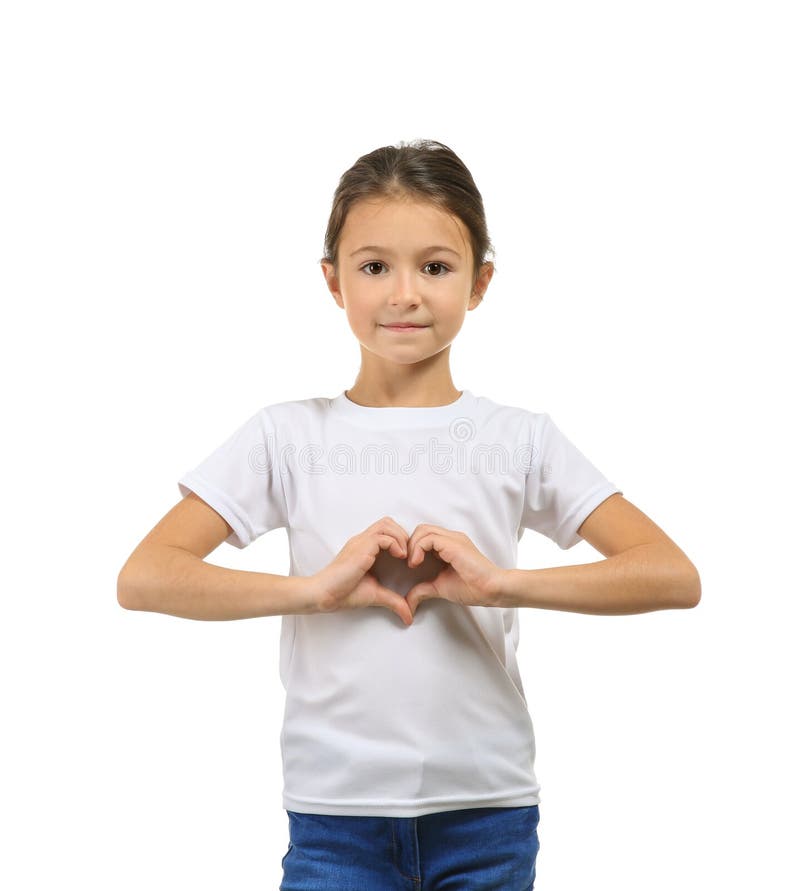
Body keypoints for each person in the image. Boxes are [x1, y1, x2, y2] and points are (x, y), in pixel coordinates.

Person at [117, 138, 702, 891]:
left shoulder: (518, 437)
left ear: (480, 280)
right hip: (336, 818)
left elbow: (672, 575)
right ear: (332, 281)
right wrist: (314, 589)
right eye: (373, 267)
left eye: (435, 266)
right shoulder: (286, 434)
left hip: (487, 813)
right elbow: (145, 577)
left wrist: (500, 584)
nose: (404, 294)